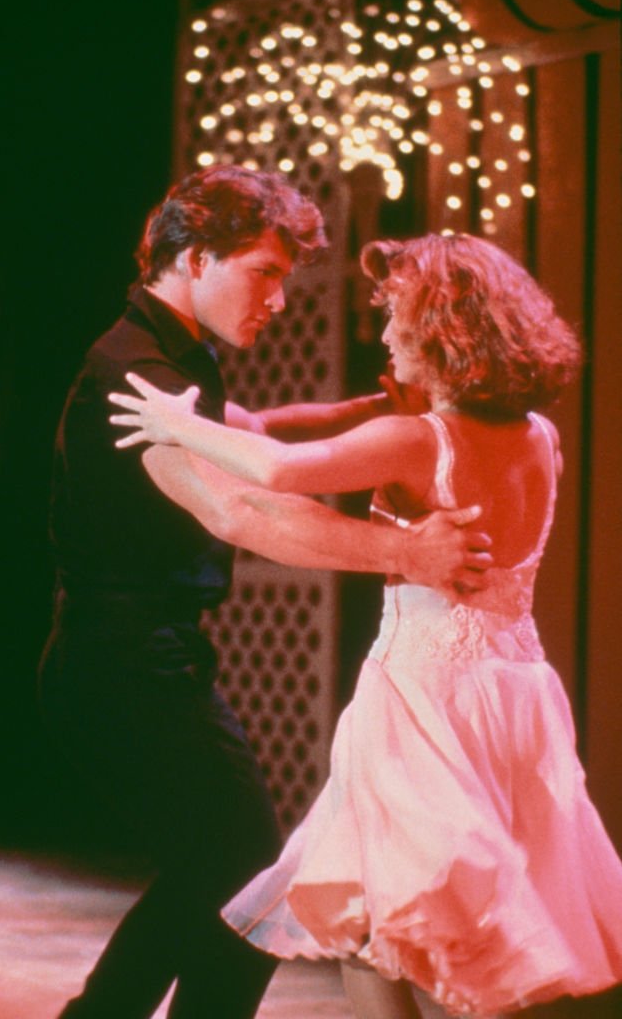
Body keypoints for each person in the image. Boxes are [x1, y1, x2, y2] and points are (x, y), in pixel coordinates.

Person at [109, 231, 622, 1019]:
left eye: (395, 320)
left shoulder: (418, 440)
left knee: (420, 922)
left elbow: (280, 470)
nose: (382, 337)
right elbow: (283, 436)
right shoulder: (539, 439)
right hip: (515, 694)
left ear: (442, 333)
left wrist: (170, 423)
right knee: (382, 912)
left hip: (423, 699)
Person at [38, 167, 493, 1019]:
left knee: (216, 868)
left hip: (141, 655)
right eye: (265, 272)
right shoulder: (136, 372)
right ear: (196, 255)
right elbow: (243, 509)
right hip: (121, 661)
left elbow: (252, 433)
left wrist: (369, 410)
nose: (278, 299)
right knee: (243, 872)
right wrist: (407, 553)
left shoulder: (173, 354)